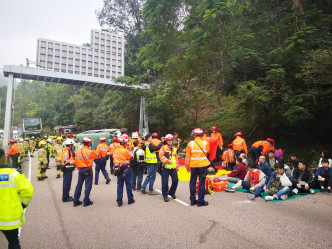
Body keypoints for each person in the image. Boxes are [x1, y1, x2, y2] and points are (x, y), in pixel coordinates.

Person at [0, 148, 33, 249]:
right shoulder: (15, 174)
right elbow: (28, 192)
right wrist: (24, 204)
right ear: (5, 159)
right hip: (9, 217)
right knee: (13, 241)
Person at [185, 128, 210, 206]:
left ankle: (192, 200)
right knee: (201, 183)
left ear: (195, 135)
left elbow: (187, 157)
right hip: (202, 165)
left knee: (192, 182)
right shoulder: (206, 143)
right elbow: (207, 153)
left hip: (193, 165)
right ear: (201, 135)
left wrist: (187, 166)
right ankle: (200, 201)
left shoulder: (190, 144)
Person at [73, 136, 98, 207]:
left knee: (79, 185)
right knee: (88, 185)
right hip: (88, 169)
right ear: (89, 143)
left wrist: (79, 168)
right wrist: (93, 149)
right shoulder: (90, 151)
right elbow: (96, 156)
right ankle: (86, 201)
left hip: (80, 170)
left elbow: (76, 161)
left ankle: (75, 201)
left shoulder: (78, 151)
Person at [113, 134, 135, 207]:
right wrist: (129, 148)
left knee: (120, 185)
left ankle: (119, 200)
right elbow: (132, 155)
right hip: (126, 169)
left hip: (118, 169)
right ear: (123, 142)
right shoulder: (125, 150)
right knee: (128, 184)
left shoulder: (116, 150)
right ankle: (130, 199)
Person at [159, 134, 179, 202]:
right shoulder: (163, 148)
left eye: (171, 140)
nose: (170, 141)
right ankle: (165, 195)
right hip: (165, 168)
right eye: (168, 140)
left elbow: (176, 158)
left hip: (173, 168)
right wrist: (167, 161)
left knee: (175, 180)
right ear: (166, 141)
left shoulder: (174, 149)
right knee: (165, 182)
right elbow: (161, 157)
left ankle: (171, 192)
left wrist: (177, 166)